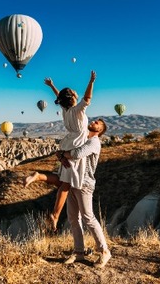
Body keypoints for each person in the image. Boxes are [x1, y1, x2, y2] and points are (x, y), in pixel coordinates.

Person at [24, 71, 96, 232]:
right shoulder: (77, 110)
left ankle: (40, 177)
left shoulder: (65, 110)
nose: (77, 93)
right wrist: (91, 81)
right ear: (72, 98)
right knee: (66, 184)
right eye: (74, 92)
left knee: (64, 181)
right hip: (76, 146)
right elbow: (88, 98)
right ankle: (55, 215)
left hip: (67, 144)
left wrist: (52, 86)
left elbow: (60, 97)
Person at [59, 118, 111, 268]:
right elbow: (67, 149)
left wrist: (63, 154)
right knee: (73, 218)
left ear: (99, 130)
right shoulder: (82, 139)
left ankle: (104, 251)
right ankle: (79, 252)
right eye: (95, 120)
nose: (94, 121)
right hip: (73, 182)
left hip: (85, 184)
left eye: (98, 123)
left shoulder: (94, 142)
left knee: (88, 217)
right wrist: (63, 153)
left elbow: (77, 154)